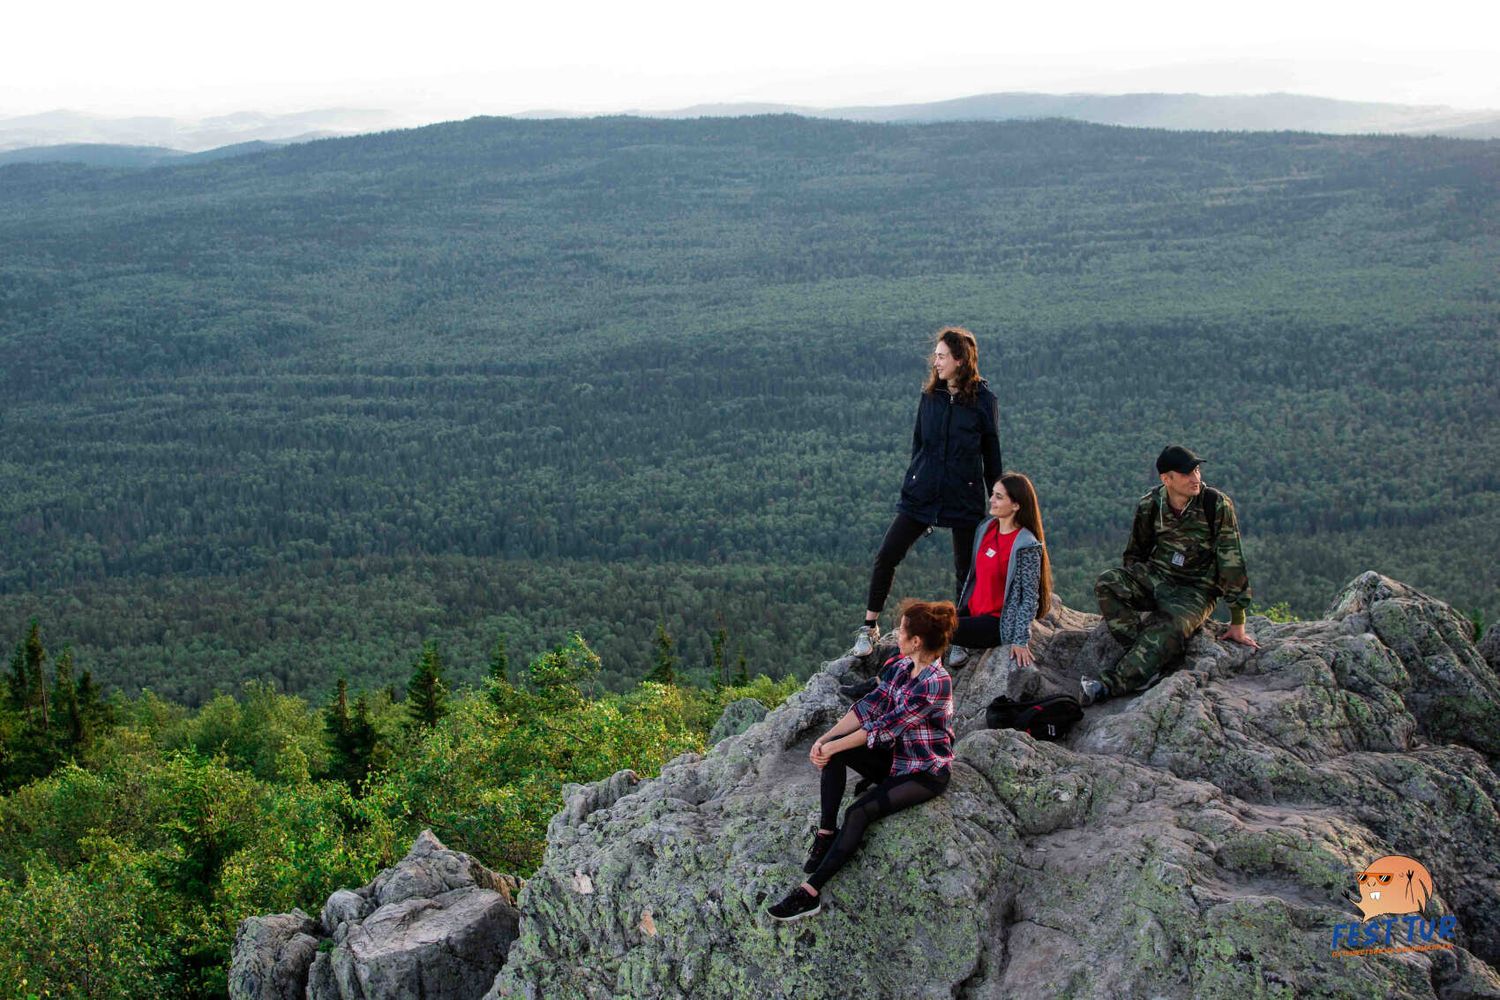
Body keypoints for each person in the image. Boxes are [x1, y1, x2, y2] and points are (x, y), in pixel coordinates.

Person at [768, 599, 956, 922]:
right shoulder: (900, 666)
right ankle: (826, 833)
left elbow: (884, 728)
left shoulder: (935, 684)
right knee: (836, 754)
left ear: (916, 642)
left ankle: (810, 893)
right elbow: (868, 707)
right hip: (896, 757)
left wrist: (835, 744)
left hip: (925, 771)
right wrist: (827, 741)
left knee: (859, 812)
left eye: (903, 630)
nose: (897, 634)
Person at [851, 327, 1002, 658]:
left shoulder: (983, 402)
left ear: (961, 361)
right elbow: (919, 445)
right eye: (935, 355)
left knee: (966, 570)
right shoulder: (930, 397)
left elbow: (992, 457)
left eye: (942, 356)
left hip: (965, 495)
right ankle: (869, 627)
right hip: (922, 495)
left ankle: (959, 636)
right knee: (888, 554)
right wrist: (916, 481)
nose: (935, 362)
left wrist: (997, 501)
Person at [1080, 445, 1259, 706]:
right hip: (1157, 576)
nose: (1195, 478)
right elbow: (1135, 553)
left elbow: (1231, 560)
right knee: (1108, 582)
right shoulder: (1150, 504)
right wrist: (1136, 585)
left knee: (1171, 626)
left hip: (1196, 589)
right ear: (1167, 479)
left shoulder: (1215, 504)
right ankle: (1147, 653)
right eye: (1186, 473)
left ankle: (1111, 685)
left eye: (1196, 470)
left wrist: (1237, 620)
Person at [947, 472, 1053, 669]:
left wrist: (1020, 639)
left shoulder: (1026, 545)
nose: (991, 500)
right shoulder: (986, 528)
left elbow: (1029, 598)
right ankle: (958, 644)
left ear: (1016, 505)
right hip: (972, 611)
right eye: (993, 494)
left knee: (929, 629)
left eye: (999, 496)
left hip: (996, 622)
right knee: (919, 618)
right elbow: (973, 577)